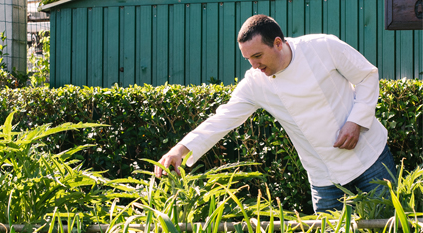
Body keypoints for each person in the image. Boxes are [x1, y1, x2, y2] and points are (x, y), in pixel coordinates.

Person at [154, 14, 397, 213]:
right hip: (324, 177)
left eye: (258, 56)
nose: (254, 66)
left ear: (278, 43)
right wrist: (179, 150)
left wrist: (356, 121)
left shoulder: (323, 46)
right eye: (248, 59)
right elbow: (223, 119)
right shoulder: (255, 83)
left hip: (370, 159)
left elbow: (366, 74)